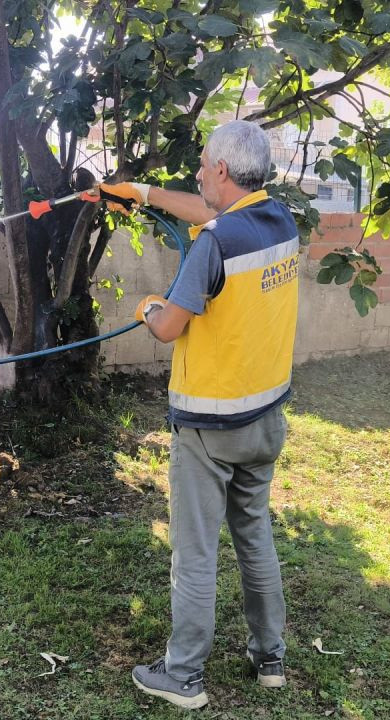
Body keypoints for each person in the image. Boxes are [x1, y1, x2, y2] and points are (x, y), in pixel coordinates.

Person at [98, 119, 300, 710]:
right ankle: (270, 658)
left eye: (202, 164)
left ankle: (182, 675)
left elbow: (167, 326)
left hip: (210, 430)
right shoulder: (276, 220)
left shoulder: (214, 244)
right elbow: (209, 214)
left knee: (195, 555)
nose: (197, 173)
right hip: (265, 419)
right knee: (254, 537)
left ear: (219, 170)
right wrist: (140, 194)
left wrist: (146, 303)